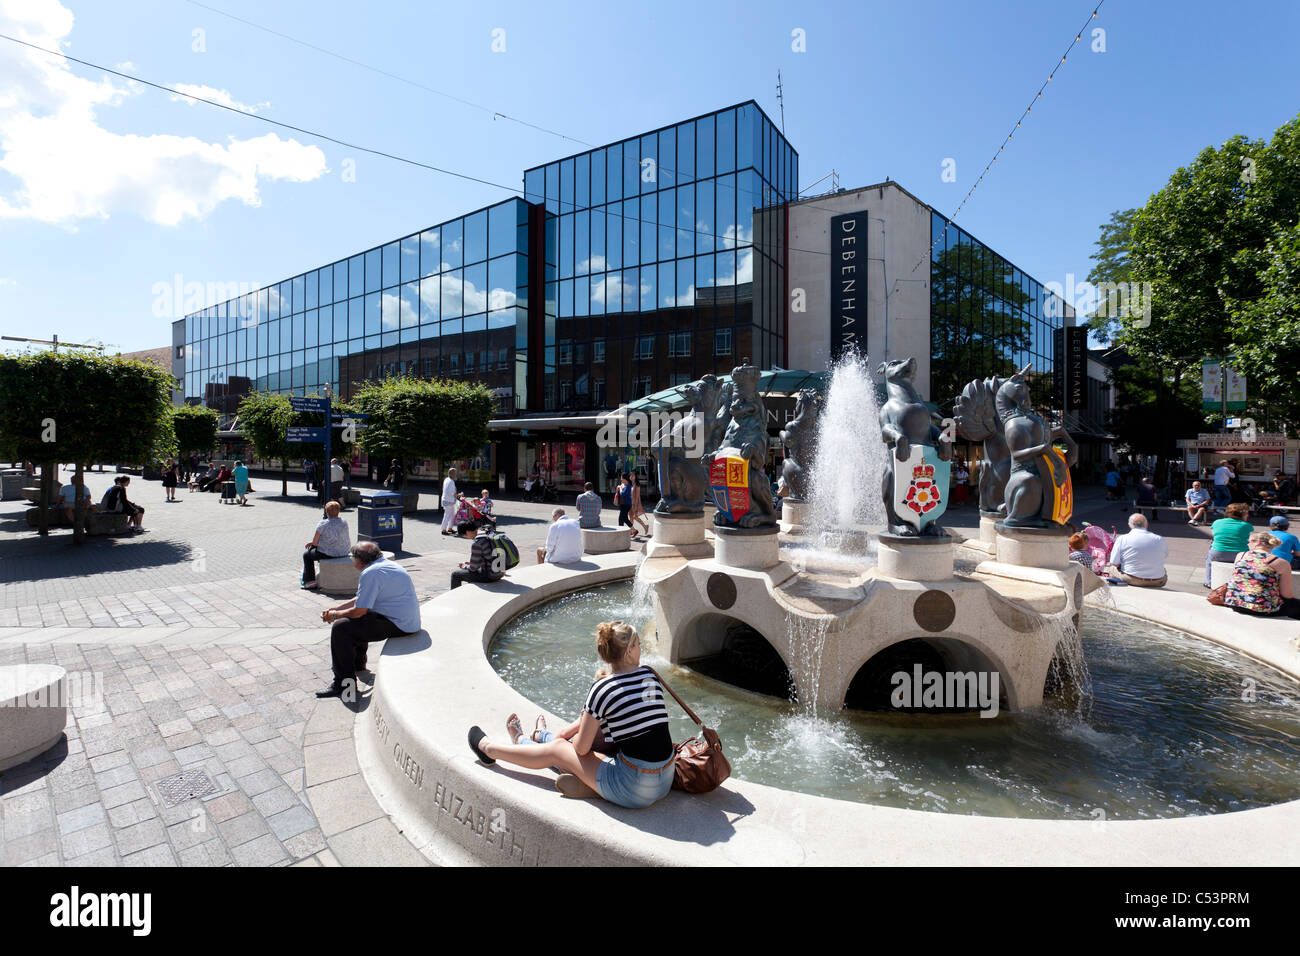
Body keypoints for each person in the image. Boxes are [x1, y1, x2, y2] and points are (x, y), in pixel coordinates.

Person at [466, 620, 675, 808]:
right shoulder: (650, 676)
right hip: (666, 779)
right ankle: (580, 775)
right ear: (629, 651)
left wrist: (571, 743)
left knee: (558, 749)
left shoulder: (603, 688)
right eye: (638, 644)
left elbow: (581, 749)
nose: (641, 649)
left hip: (634, 789)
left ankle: (490, 749)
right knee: (600, 749)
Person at [316, 542, 422, 698]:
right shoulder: (384, 566)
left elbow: (358, 611)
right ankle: (358, 664)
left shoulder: (371, 573)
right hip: (406, 620)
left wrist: (334, 616)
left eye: (352, 557)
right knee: (357, 620)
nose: (351, 561)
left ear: (359, 560)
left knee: (342, 627)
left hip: (399, 625)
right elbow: (361, 600)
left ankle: (344, 687)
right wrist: (336, 609)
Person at [1223, 532, 1300, 619]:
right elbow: (1287, 595)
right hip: (1262, 608)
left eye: (1250, 541)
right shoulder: (1281, 563)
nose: (1248, 544)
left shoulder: (1241, 556)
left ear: (1258, 542)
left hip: (1235, 604)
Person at [1107, 513, 1169, 587]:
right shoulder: (1160, 539)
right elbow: (1164, 556)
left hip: (1132, 579)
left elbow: (1114, 563)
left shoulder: (1122, 539)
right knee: (1162, 568)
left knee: (1111, 568)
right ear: (1146, 525)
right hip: (1159, 580)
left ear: (1129, 525)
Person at [301, 501, 351, 590]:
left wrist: (312, 543)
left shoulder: (323, 524)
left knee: (307, 555)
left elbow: (315, 543)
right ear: (338, 511)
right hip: (343, 551)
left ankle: (310, 581)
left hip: (329, 554)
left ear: (326, 512)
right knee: (316, 549)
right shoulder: (344, 522)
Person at [1205, 501, 1253, 587]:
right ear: (1242, 514)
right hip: (1239, 555)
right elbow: (1249, 538)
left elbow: (1215, 536)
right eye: (1246, 513)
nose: (1248, 515)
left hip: (1218, 553)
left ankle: (1208, 581)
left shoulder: (1217, 522)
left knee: (1209, 560)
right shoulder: (1247, 525)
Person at [450, 520, 505, 589]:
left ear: (467, 532)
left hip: (490, 576)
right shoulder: (489, 535)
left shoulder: (477, 543)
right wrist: (471, 564)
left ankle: (454, 598)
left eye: (464, 535)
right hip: (501, 572)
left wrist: (464, 566)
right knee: (469, 573)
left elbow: (473, 568)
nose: (466, 537)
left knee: (455, 575)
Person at [627, 473, 649, 538]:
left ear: (635, 477)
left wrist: (636, 506)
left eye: (633, 475)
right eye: (630, 475)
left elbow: (637, 497)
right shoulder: (629, 485)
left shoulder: (637, 485)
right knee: (631, 517)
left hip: (634, 504)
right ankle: (632, 531)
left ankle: (645, 526)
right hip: (629, 503)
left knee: (634, 517)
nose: (631, 477)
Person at [440, 467, 459, 535]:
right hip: (449, 500)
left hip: (447, 500)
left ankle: (450, 528)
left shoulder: (446, 479)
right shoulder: (451, 481)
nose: (456, 474)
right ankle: (443, 529)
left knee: (451, 515)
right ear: (453, 474)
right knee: (447, 515)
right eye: (455, 473)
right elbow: (451, 492)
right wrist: (458, 495)